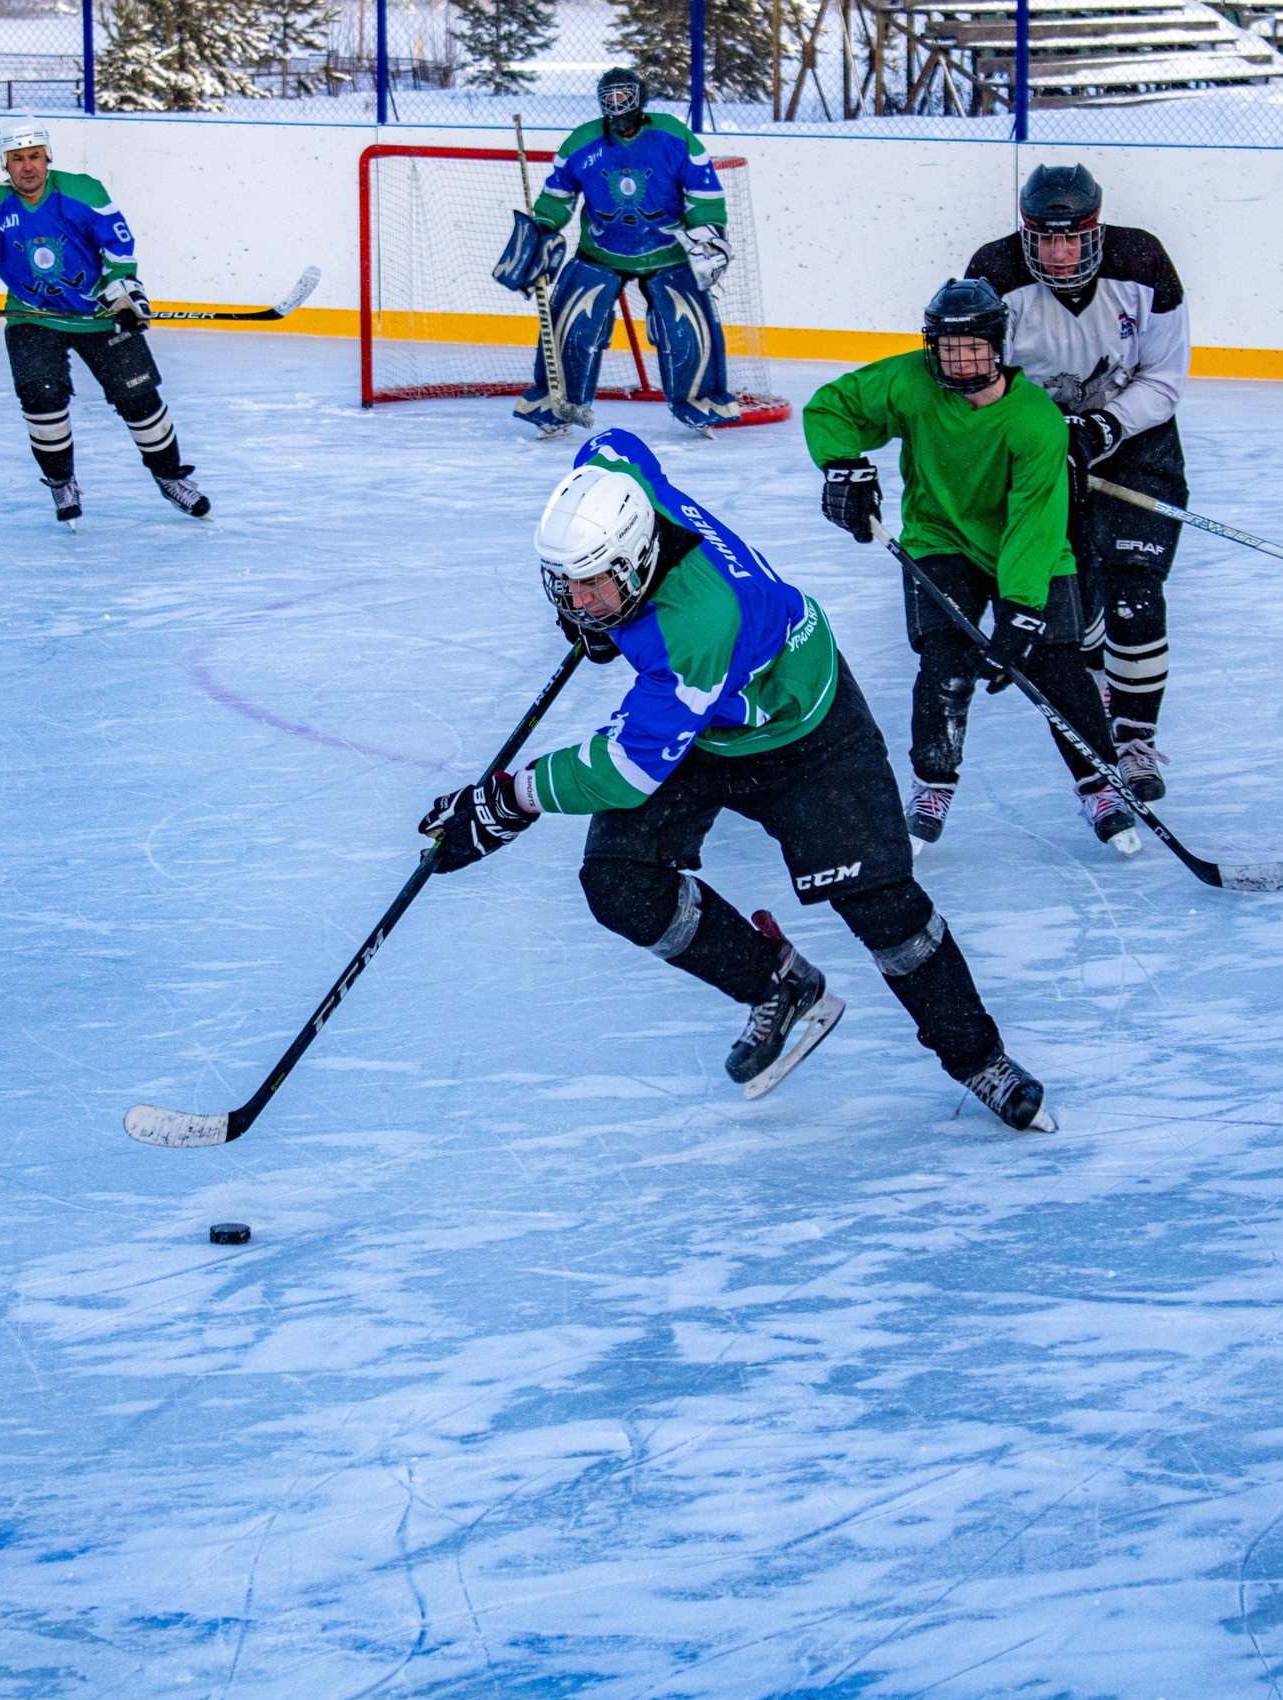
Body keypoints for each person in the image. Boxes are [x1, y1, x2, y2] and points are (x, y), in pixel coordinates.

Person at [416, 428, 1055, 1133]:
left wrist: (509, 798)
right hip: (705, 724)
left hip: (802, 731)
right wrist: (596, 607)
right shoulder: (621, 487)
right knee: (619, 881)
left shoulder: (699, 622)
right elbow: (613, 441)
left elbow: (628, 770)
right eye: (565, 581)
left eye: (592, 582)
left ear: (635, 562)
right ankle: (778, 983)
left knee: (883, 908)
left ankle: (980, 1058)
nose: (576, 598)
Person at [804, 277, 1140, 859]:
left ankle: (1101, 785)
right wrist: (841, 467)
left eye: (974, 346)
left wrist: (1022, 613)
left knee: (1059, 667)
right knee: (944, 660)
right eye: (947, 347)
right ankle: (933, 785)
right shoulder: (910, 380)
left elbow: (1034, 525)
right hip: (941, 539)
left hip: (1027, 547)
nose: (959, 361)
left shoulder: (1034, 420)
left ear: (999, 347)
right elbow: (832, 406)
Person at [965, 164, 1191, 803]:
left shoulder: (1143, 260)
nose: (1060, 253)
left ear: (1095, 229)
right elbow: (975, 378)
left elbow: (1165, 379)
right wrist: (1037, 438)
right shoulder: (994, 272)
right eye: (1045, 237)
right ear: (1025, 232)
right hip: (1040, 449)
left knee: (1134, 589)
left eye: (1074, 237)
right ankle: (1099, 692)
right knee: (1075, 598)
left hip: (1133, 441)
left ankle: (1135, 739)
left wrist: (1103, 429)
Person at [0, 116, 209, 526]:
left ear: (48, 157)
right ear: (4, 164)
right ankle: (61, 481)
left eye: (34, 156)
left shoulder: (84, 193)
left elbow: (118, 246)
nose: (27, 166)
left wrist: (122, 288)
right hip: (32, 316)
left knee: (140, 399)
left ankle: (171, 478)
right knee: (42, 400)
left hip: (98, 314)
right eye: (17, 159)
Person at [495, 70, 739, 439]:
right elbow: (558, 194)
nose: (616, 106)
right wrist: (542, 227)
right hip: (600, 251)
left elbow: (702, 189)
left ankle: (701, 402)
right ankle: (555, 403)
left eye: (623, 97)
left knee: (688, 327)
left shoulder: (672, 135)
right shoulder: (582, 141)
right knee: (571, 324)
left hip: (668, 253)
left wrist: (706, 234)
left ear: (640, 98)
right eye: (608, 98)